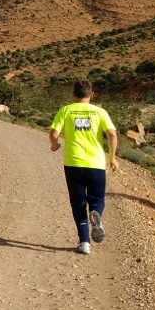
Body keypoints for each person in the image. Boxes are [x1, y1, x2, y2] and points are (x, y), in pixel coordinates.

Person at [49, 80, 119, 255]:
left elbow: (53, 133)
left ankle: (85, 242)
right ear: (91, 94)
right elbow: (112, 134)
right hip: (96, 164)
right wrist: (112, 157)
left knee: (78, 203)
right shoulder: (100, 112)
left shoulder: (65, 110)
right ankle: (96, 213)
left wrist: (54, 145)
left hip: (73, 164)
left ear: (74, 95)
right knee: (97, 198)